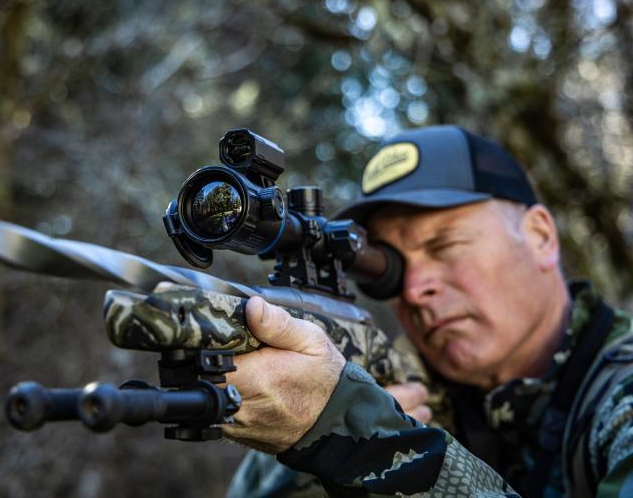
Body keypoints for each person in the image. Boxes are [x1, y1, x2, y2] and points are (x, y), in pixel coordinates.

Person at [222, 125, 633, 496]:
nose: (415, 289)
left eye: (444, 247)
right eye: (391, 268)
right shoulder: (390, 386)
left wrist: (363, 444)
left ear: (540, 237)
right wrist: (308, 448)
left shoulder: (621, 394)